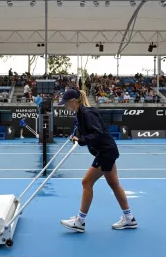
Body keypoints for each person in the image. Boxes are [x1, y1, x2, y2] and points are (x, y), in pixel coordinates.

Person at [58, 89, 137, 232]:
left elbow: (97, 132)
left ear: (73, 101)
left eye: (66, 104)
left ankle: (80, 221)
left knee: (86, 182)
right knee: (114, 184)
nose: (65, 106)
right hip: (107, 150)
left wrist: (81, 140)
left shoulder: (87, 113)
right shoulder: (81, 113)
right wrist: (77, 136)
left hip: (105, 152)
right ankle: (129, 218)